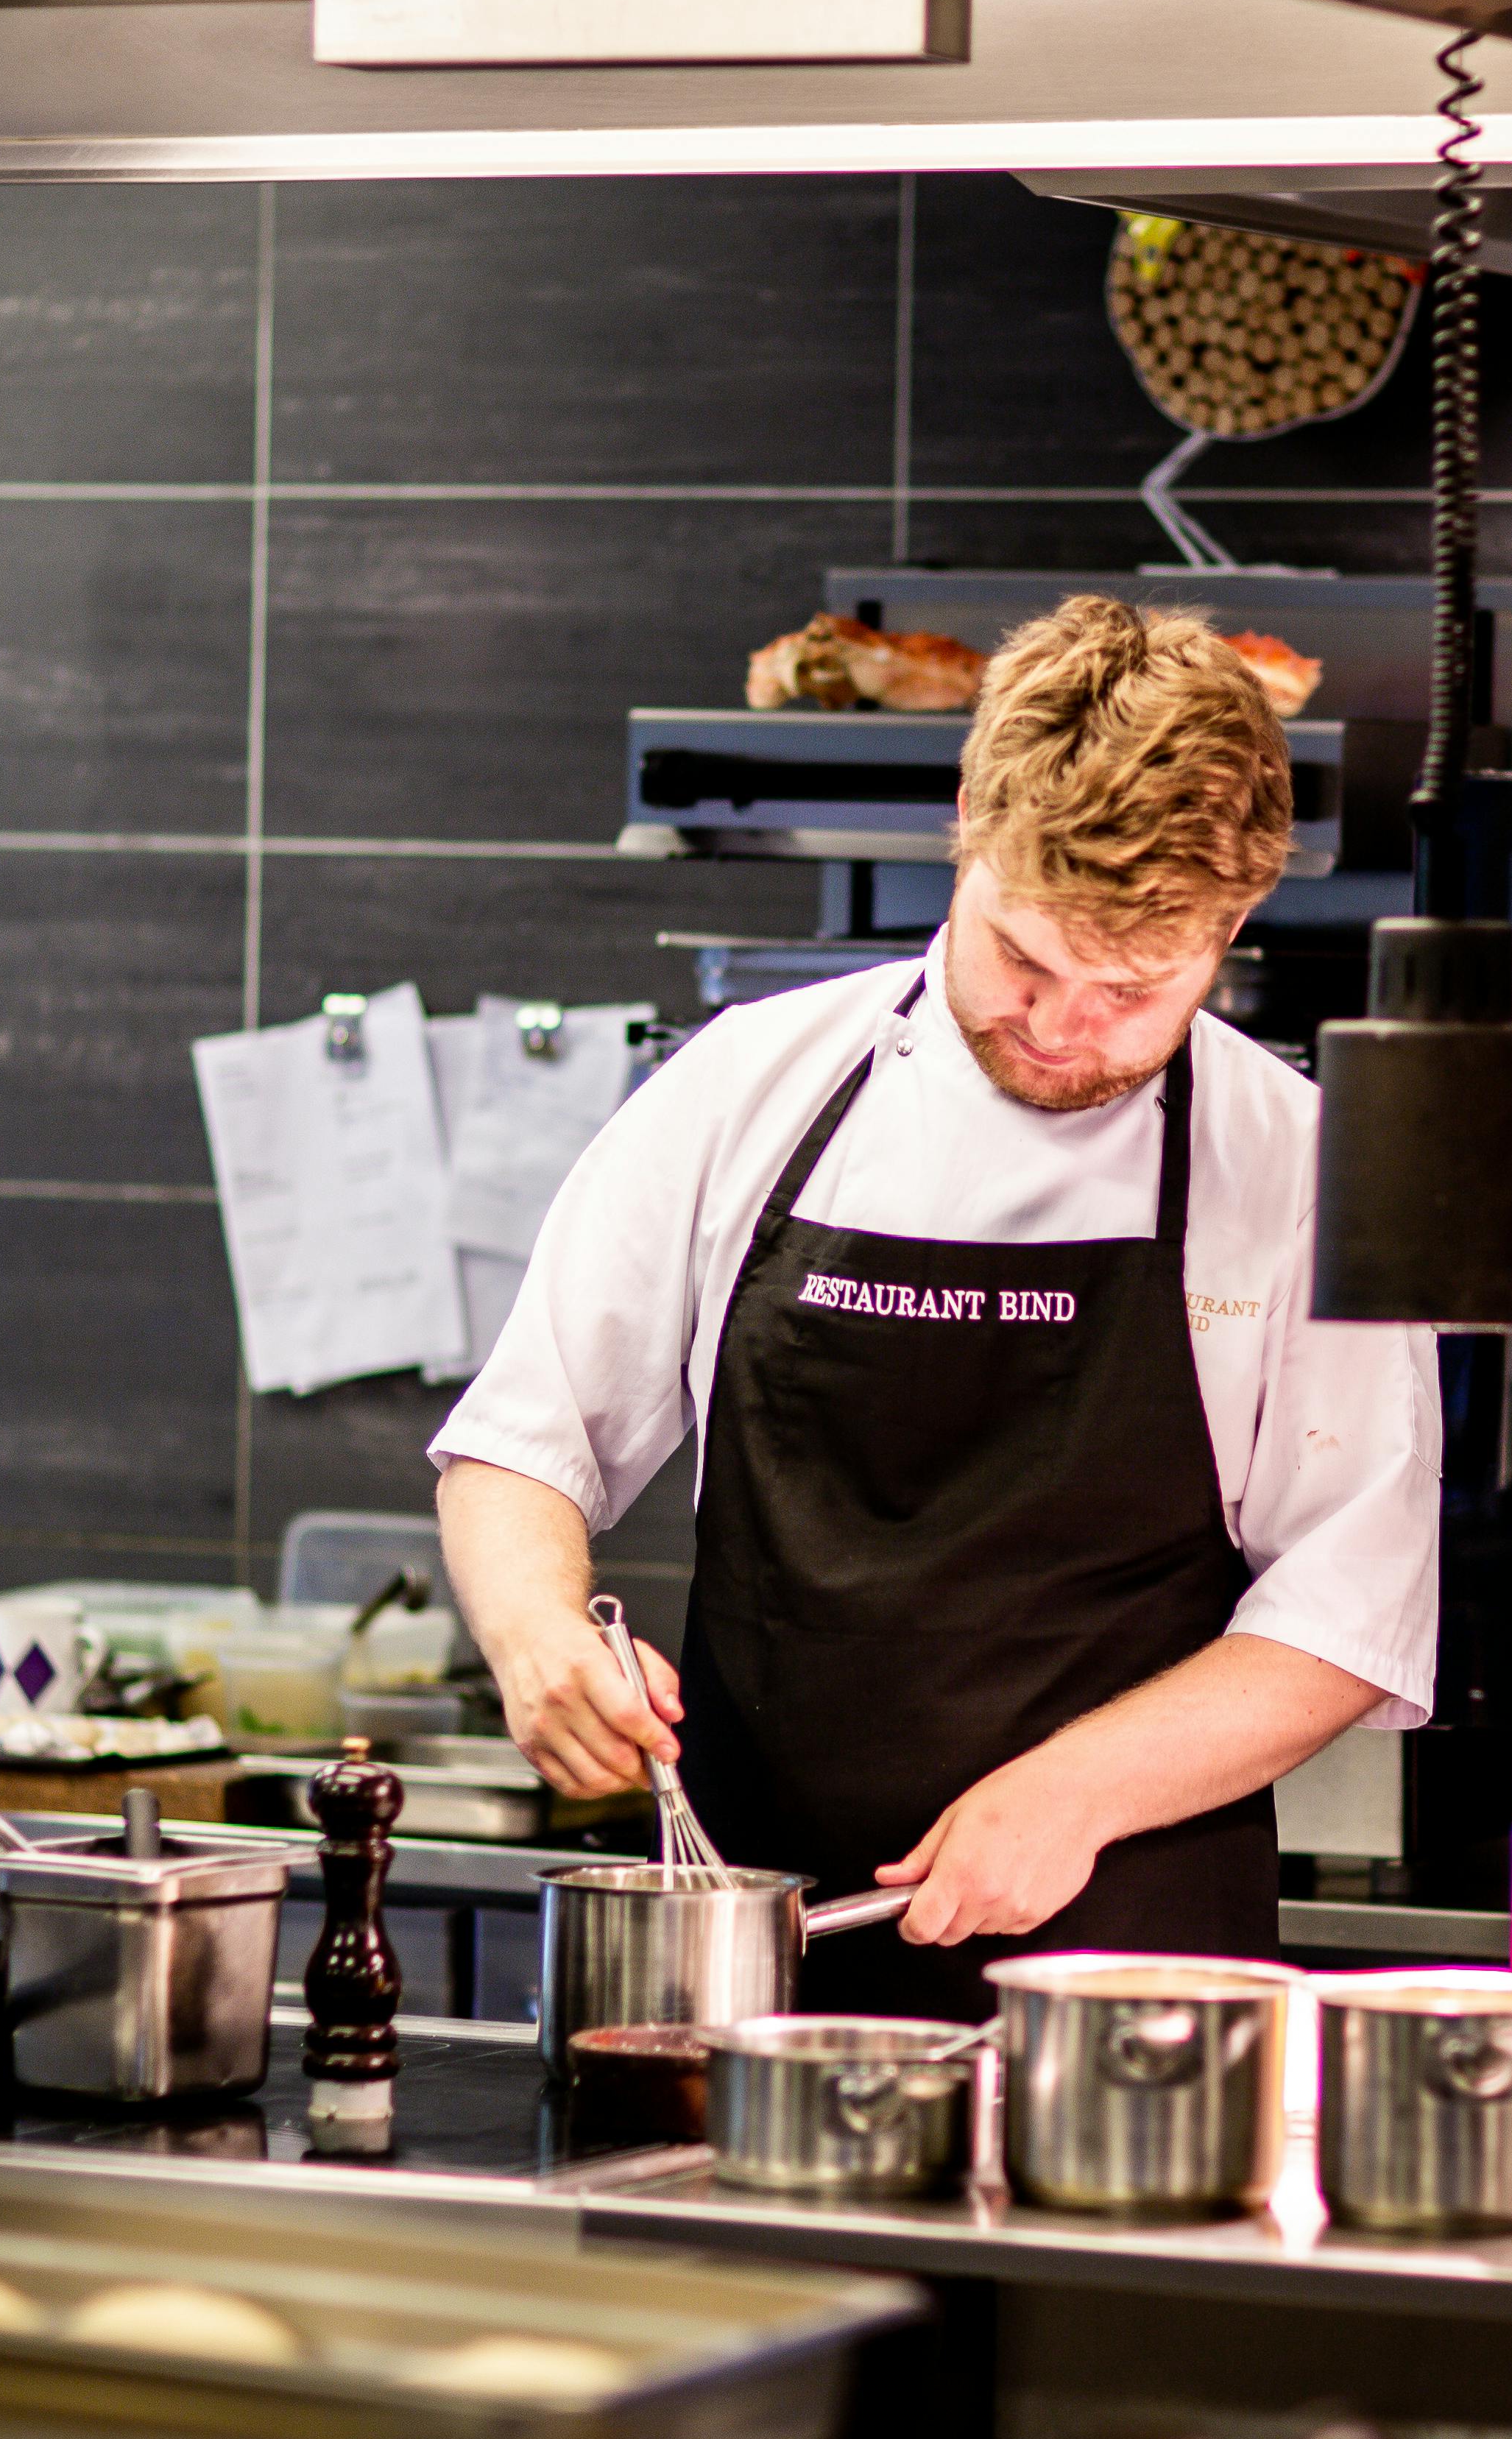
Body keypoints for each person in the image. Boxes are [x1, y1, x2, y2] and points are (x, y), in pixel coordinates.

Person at [429, 596, 1440, 2017]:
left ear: (1235, 919)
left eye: (1134, 989)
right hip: (753, 1969)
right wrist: (537, 1633)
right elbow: (523, 1442)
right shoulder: (749, 1089)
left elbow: (1349, 1611)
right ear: (967, 820)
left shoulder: (1297, 1167)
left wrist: (1076, 1792)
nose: (1063, 1026)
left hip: (1127, 1996)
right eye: (1025, 958)